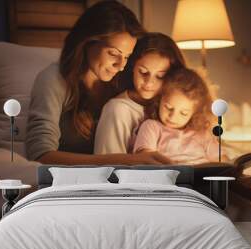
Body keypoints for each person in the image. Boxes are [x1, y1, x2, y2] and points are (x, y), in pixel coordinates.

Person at [26, 1, 172, 165]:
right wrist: (126, 161)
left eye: (127, 56)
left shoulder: (120, 81)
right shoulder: (53, 80)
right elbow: (39, 155)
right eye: (113, 53)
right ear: (88, 42)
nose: (121, 65)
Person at [94, 32, 186, 154]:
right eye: (143, 72)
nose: (149, 83)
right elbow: (108, 166)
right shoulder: (117, 110)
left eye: (160, 76)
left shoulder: (176, 109)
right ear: (132, 67)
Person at [133, 67, 226, 164]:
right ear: (159, 100)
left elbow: (221, 160)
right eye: (168, 107)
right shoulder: (151, 127)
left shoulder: (202, 134)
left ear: (195, 113)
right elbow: (146, 159)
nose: (172, 117)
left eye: (183, 113)